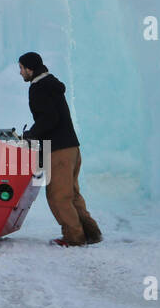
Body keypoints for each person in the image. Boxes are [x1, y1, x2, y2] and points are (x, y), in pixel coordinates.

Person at [18, 52, 102, 247]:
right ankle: (90, 232)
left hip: (59, 150)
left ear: (30, 68)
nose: (20, 72)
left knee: (58, 195)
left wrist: (32, 133)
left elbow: (49, 118)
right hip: (72, 147)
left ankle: (74, 237)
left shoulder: (39, 87)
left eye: (21, 68)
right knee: (72, 193)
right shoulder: (51, 84)